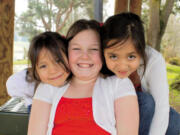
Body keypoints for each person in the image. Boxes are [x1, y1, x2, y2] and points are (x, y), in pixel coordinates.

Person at [28, 19, 139, 135]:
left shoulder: (118, 84)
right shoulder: (49, 87)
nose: (85, 57)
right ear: (66, 52)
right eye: (76, 49)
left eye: (94, 49)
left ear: (104, 53)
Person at [102, 12, 180, 135]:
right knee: (146, 101)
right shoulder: (98, 63)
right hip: (120, 112)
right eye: (113, 56)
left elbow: (161, 107)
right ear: (103, 51)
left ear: (141, 50)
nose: (122, 65)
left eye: (131, 57)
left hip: (148, 113)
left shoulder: (154, 60)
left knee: (175, 121)